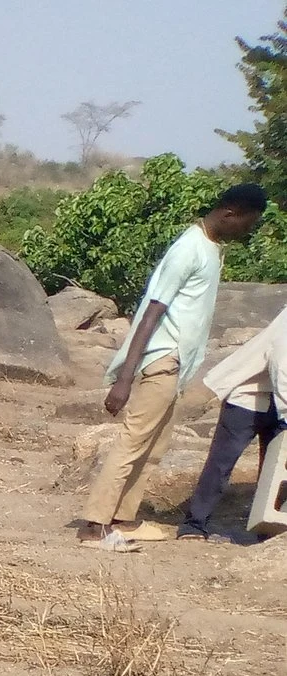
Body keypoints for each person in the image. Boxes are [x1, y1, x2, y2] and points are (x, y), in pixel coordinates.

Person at [80, 183, 268, 550]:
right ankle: (93, 526)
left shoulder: (211, 248)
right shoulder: (189, 248)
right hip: (162, 359)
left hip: (179, 364)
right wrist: (125, 376)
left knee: (154, 447)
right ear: (230, 213)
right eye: (248, 222)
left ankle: (124, 519)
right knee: (132, 442)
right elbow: (153, 309)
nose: (248, 230)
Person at [181, 295, 287, 539]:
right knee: (221, 463)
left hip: (277, 400)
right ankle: (194, 524)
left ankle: (268, 526)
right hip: (248, 397)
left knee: (276, 469)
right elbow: (282, 367)